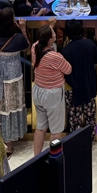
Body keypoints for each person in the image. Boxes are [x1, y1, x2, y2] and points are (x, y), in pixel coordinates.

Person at [0, 9, 29, 155]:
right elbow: (27, 47)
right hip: (12, 79)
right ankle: (8, 145)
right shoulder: (17, 38)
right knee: (10, 108)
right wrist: (23, 29)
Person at [31, 25, 72, 155]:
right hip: (52, 95)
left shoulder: (34, 48)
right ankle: (54, 159)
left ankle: (36, 158)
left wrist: (49, 27)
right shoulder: (56, 57)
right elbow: (68, 69)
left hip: (38, 90)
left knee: (40, 127)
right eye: (53, 32)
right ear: (50, 40)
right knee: (56, 131)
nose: (55, 32)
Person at [61, 19, 97, 141]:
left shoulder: (65, 51)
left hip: (72, 89)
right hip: (89, 86)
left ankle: (75, 141)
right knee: (90, 116)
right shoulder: (90, 44)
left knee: (74, 117)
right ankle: (90, 139)